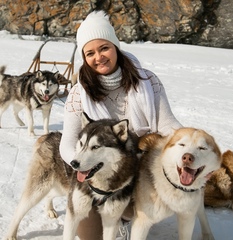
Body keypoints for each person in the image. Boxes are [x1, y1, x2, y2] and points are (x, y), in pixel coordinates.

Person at [59, 10, 182, 240]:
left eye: (104, 48)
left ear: (115, 46)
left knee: (135, 203)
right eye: (90, 53)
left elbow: (168, 124)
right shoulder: (78, 94)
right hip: (95, 171)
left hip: (135, 167)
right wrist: (87, 167)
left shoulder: (148, 81)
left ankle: (127, 218)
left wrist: (188, 145)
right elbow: (67, 144)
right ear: (84, 57)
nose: (99, 57)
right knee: (90, 236)